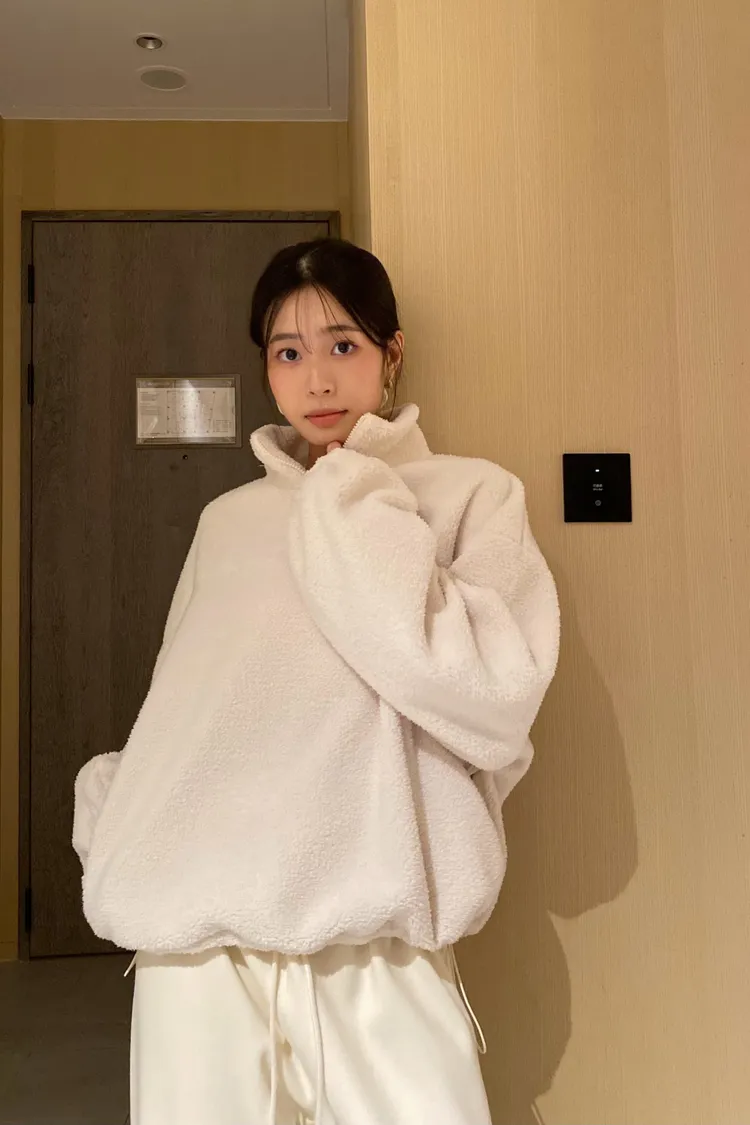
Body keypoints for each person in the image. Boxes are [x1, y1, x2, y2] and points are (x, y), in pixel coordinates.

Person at [73, 238, 560, 1125]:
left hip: (372, 930)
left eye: (343, 344)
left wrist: (351, 497)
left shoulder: (469, 497)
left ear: (391, 352)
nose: (318, 378)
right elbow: (181, 704)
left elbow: (495, 698)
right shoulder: (228, 521)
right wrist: (121, 816)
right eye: (288, 353)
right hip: (200, 922)